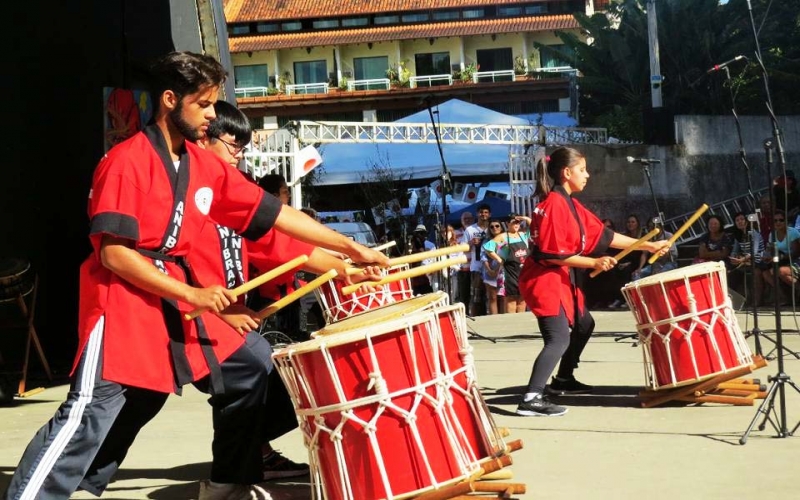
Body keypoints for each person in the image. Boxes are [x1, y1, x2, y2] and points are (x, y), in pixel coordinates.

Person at [3, 51, 389, 500]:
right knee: (94, 409)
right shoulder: (127, 162)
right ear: (170, 100)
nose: (211, 115)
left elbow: (276, 215)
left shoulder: (202, 167)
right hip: (126, 297)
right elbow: (114, 256)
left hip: (181, 298)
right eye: (203, 105)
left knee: (251, 366)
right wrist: (194, 294)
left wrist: (349, 248)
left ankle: (228, 481)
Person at [515, 147, 670, 417]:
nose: (587, 175)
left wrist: (649, 244)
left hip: (560, 277)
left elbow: (606, 237)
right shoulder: (552, 205)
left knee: (584, 323)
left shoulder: (571, 204)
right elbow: (552, 255)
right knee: (558, 337)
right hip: (545, 279)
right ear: (566, 172)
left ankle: (563, 379)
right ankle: (531, 397)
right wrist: (593, 262)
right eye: (582, 170)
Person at [485, 214, 531, 313]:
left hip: (524, 271)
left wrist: (525, 218)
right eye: (514, 222)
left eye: (518, 222)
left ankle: (521, 323)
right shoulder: (503, 236)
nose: (516, 224)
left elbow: (534, 226)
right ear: (507, 223)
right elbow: (488, 247)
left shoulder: (523, 235)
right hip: (509, 272)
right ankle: (512, 324)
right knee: (511, 300)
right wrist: (499, 259)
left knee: (523, 299)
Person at [761, 209, 800, 306]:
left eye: (781, 220)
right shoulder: (772, 234)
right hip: (781, 260)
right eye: (775, 220)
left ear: (786, 221)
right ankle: (784, 297)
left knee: (780, 271)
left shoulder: (793, 232)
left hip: (795, 260)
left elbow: (796, 252)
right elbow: (769, 249)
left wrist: (781, 257)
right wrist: (767, 256)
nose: (778, 222)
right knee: (765, 272)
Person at [607, 214, 644, 309]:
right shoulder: (624, 236)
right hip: (625, 262)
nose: (630, 224)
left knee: (626, 271)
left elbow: (642, 254)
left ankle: (628, 300)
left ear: (637, 224)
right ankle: (619, 298)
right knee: (614, 271)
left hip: (638, 263)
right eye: (628, 222)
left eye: (633, 222)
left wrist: (630, 264)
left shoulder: (642, 236)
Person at [728, 211, 764, 302]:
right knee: (731, 274)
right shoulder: (738, 235)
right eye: (737, 220)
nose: (740, 222)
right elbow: (735, 250)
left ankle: (757, 301)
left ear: (747, 221)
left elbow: (754, 252)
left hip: (758, 260)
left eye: (742, 219)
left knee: (756, 273)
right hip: (745, 261)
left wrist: (742, 260)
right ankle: (734, 301)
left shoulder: (753, 233)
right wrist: (733, 258)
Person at [463, 204, 491, 316]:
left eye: (486, 212)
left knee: (492, 295)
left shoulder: (493, 227)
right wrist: (471, 243)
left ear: (489, 214)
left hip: (492, 265)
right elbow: (463, 248)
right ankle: (478, 318)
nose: (483, 214)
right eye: (481, 212)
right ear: (477, 214)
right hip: (477, 266)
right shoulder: (470, 230)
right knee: (477, 295)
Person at [480, 219, 506, 314]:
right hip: (489, 271)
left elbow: (506, 256)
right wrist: (489, 270)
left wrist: (497, 269)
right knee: (492, 297)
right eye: (492, 227)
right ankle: (494, 319)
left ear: (501, 227)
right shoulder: (486, 241)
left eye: (497, 226)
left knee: (503, 297)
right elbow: (483, 256)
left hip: (503, 271)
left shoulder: (506, 239)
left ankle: (504, 319)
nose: (494, 228)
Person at [454, 212, 474, 306]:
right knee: (464, 295)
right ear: (461, 221)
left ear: (473, 219)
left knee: (476, 296)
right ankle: (465, 314)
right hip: (463, 269)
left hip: (476, 269)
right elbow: (456, 250)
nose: (467, 220)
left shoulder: (476, 231)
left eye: (469, 218)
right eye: (465, 219)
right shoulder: (456, 233)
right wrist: (469, 244)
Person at [409, 224, 436, 295]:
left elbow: (433, 259)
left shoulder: (430, 245)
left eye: (422, 233)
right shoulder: (412, 244)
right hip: (415, 277)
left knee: (428, 294)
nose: (420, 235)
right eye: (418, 233)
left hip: (425, 275)